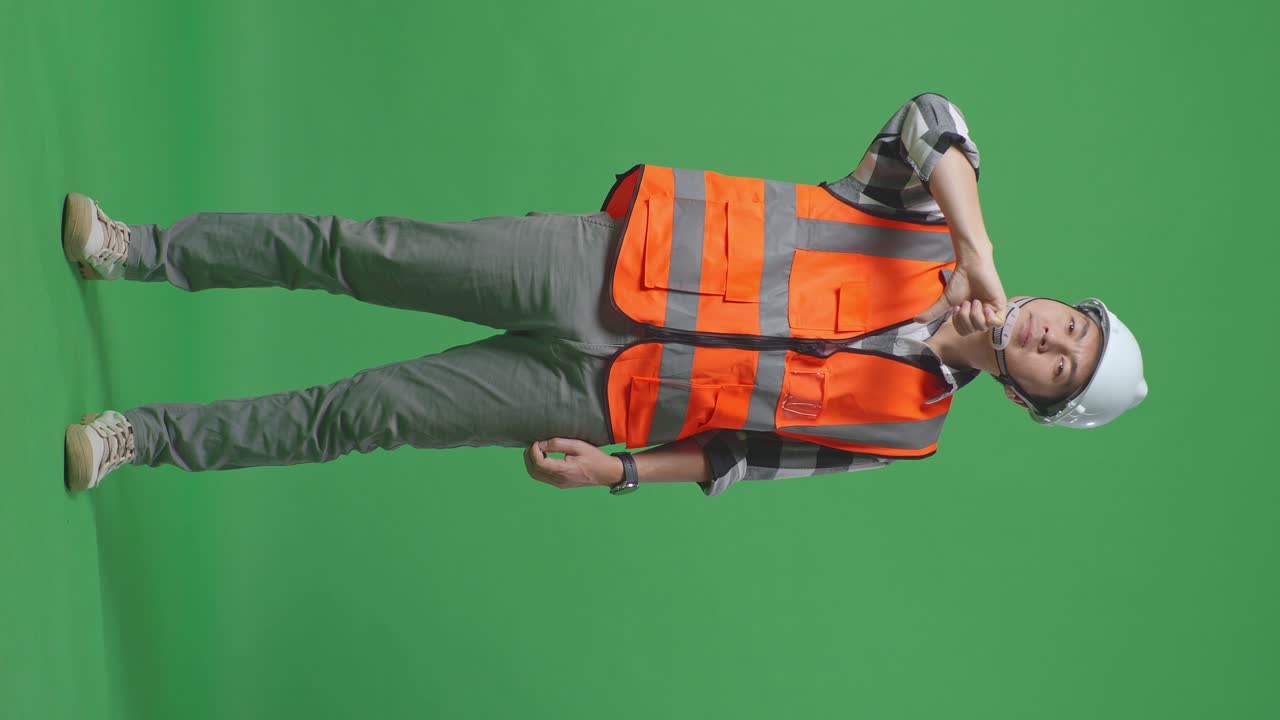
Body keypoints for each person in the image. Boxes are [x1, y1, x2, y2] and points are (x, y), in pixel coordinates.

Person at [61, 93, 1147, 496]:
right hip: (603, 262)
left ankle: (141, 440)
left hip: (603, 398)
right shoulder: (920, 222)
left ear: (1026, 397)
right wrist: (976, 250)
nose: (1050, 334)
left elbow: (747, 456)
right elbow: (929, 114)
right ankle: (137, 248)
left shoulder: (904, 433)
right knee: (360, 250)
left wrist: (619, 474)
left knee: (366, 414)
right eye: (1072, 325)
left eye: (1059, 362)